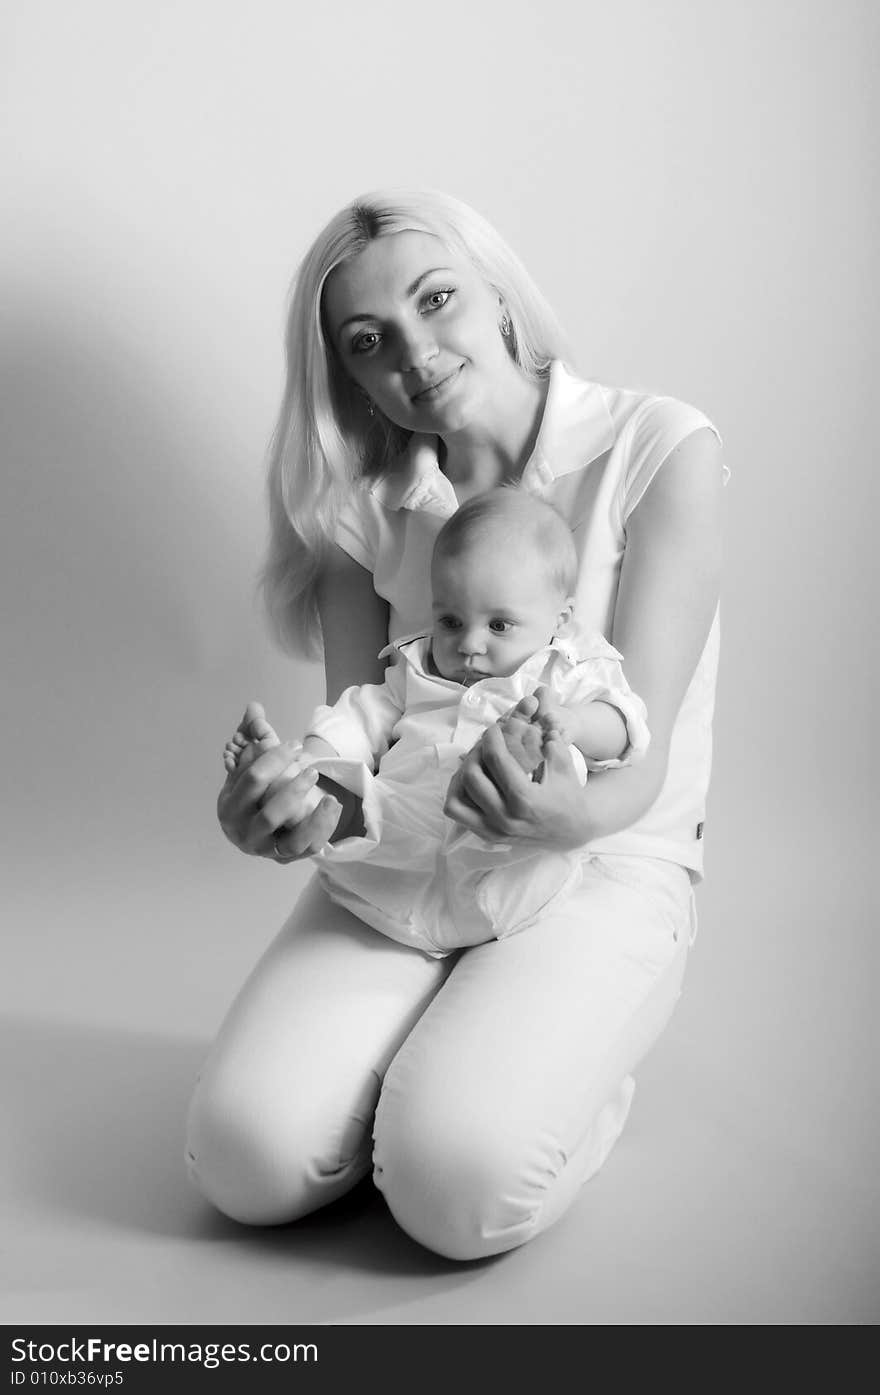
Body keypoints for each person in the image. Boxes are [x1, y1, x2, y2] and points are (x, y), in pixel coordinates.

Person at [186, 188, 727, 1261]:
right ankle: (412, 1056)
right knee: (244, 1161)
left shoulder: (653, 448)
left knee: (452, 1192)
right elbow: (362, 752)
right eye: (368, 341)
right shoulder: (362, 513)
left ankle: (547, 1090)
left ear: (501, 298)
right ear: (345, 373)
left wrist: (560, 807)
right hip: (406, 861)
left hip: (602, 856)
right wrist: (295, 811)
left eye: (439, 302)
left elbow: (640, 753)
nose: (416, 354)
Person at [222, 487, 651, 956]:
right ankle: (292, 787)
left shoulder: (565, 670)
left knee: (526, 772)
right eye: (450, 621)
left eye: (499, 626)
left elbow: (626, 724)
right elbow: (359, 716)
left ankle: (504, 759)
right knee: (364, 805)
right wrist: (312, 759)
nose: (469, 643)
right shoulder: (415, 669)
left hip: (507, 859)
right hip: (398, 870)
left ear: (560, 617)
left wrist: (574, 723)